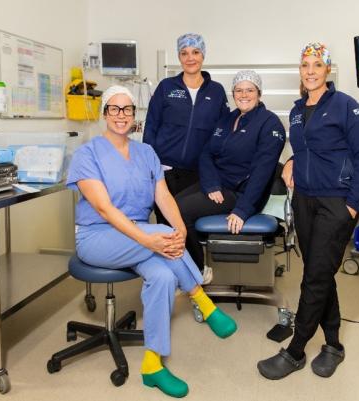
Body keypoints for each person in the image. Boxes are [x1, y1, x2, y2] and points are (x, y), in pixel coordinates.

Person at [67, 85, 237, 398]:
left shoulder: (147, 153)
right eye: (115, 109)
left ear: (135, 116)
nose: (121, 115)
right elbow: (104, 209)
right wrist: (153, 238)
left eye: (127, 109)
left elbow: (164, 196)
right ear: (105, 114)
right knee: (160, 234)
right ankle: (203, 300)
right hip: (96, 236)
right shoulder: (87, 154)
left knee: (162, 275)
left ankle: (152, 365)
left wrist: (180, 231)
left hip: (138, 236)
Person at [257, 43, 359, 380]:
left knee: (314, 277)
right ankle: (334, 344)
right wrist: (292, 161)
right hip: (304, 200)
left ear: (328, 70)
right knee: (319, 272)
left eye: (317, 65)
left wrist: (353, 204)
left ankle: (295, 351)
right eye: (305, 65)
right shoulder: (296, 111)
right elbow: (306, 149)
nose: (310, 71)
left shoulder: (345, 107)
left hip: (336, 203)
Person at [175, 70, 286, 271]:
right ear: (233, 94)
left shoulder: (269, 123)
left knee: (180, 211)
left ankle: (198, 270)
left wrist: (242, 210)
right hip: (218, 186)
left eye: (249, 90)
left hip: (241, 193)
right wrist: (211, 184)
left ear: (259, 93)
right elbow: (206, 154)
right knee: (170, 207)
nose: (244, 95)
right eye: (239, 90)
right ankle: (188, 264)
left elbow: (263, 172)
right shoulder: (227, 119)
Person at [143, 33, 229, 229]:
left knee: (191, 227)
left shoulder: (216, 91)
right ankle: (168, 261)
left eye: (195, 52)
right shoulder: (167, 87)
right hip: (165, 171)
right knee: (166, 225)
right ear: (179, 57)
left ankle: (191, 262)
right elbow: (151, 126)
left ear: (203, 55)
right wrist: (151, 164)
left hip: (199, 173)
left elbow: (222, 133)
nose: (190, 58)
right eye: (184, 53)